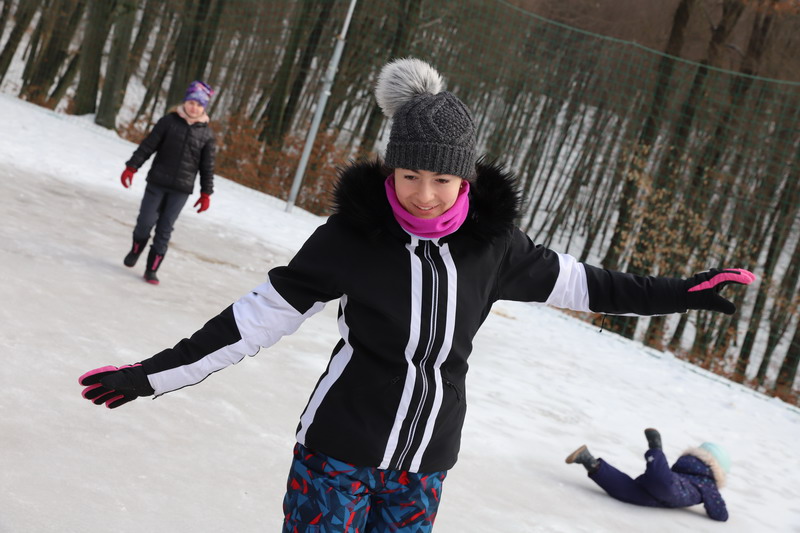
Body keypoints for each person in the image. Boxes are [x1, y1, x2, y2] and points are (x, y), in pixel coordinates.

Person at [79, 58, 754, 532]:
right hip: (337, 454)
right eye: (408, 175)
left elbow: (593, 283)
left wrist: (683, 293)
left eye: (441, 180)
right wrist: (151, 375)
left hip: (424, 466)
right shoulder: (353, 237)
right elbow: (253, 320)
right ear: (391, 169)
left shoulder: (495, 247)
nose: (422, 194)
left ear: (465, 180)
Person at [120, 80, 216, 285]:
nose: (194, 108)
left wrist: (206, 193)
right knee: (145, 222)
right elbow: (148, 146)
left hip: (181, 190)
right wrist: (132, 167)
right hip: (157, 182)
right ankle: (136, 249)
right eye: (191, 102)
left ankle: (152, 269)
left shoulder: (206, 134)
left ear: (204, 108)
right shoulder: (168, 122)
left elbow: (207, 167)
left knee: (164, 229)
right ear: (185, 102)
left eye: (199, 105)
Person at [565, 428, 730, 521]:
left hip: (655, 494)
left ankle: (590, 462)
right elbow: (719, 513)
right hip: (669, 490)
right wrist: (723, 515)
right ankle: (655, 448)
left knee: (623, 490)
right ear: (718, 470)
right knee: (662, 481)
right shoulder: (708, 484)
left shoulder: (682, 471)